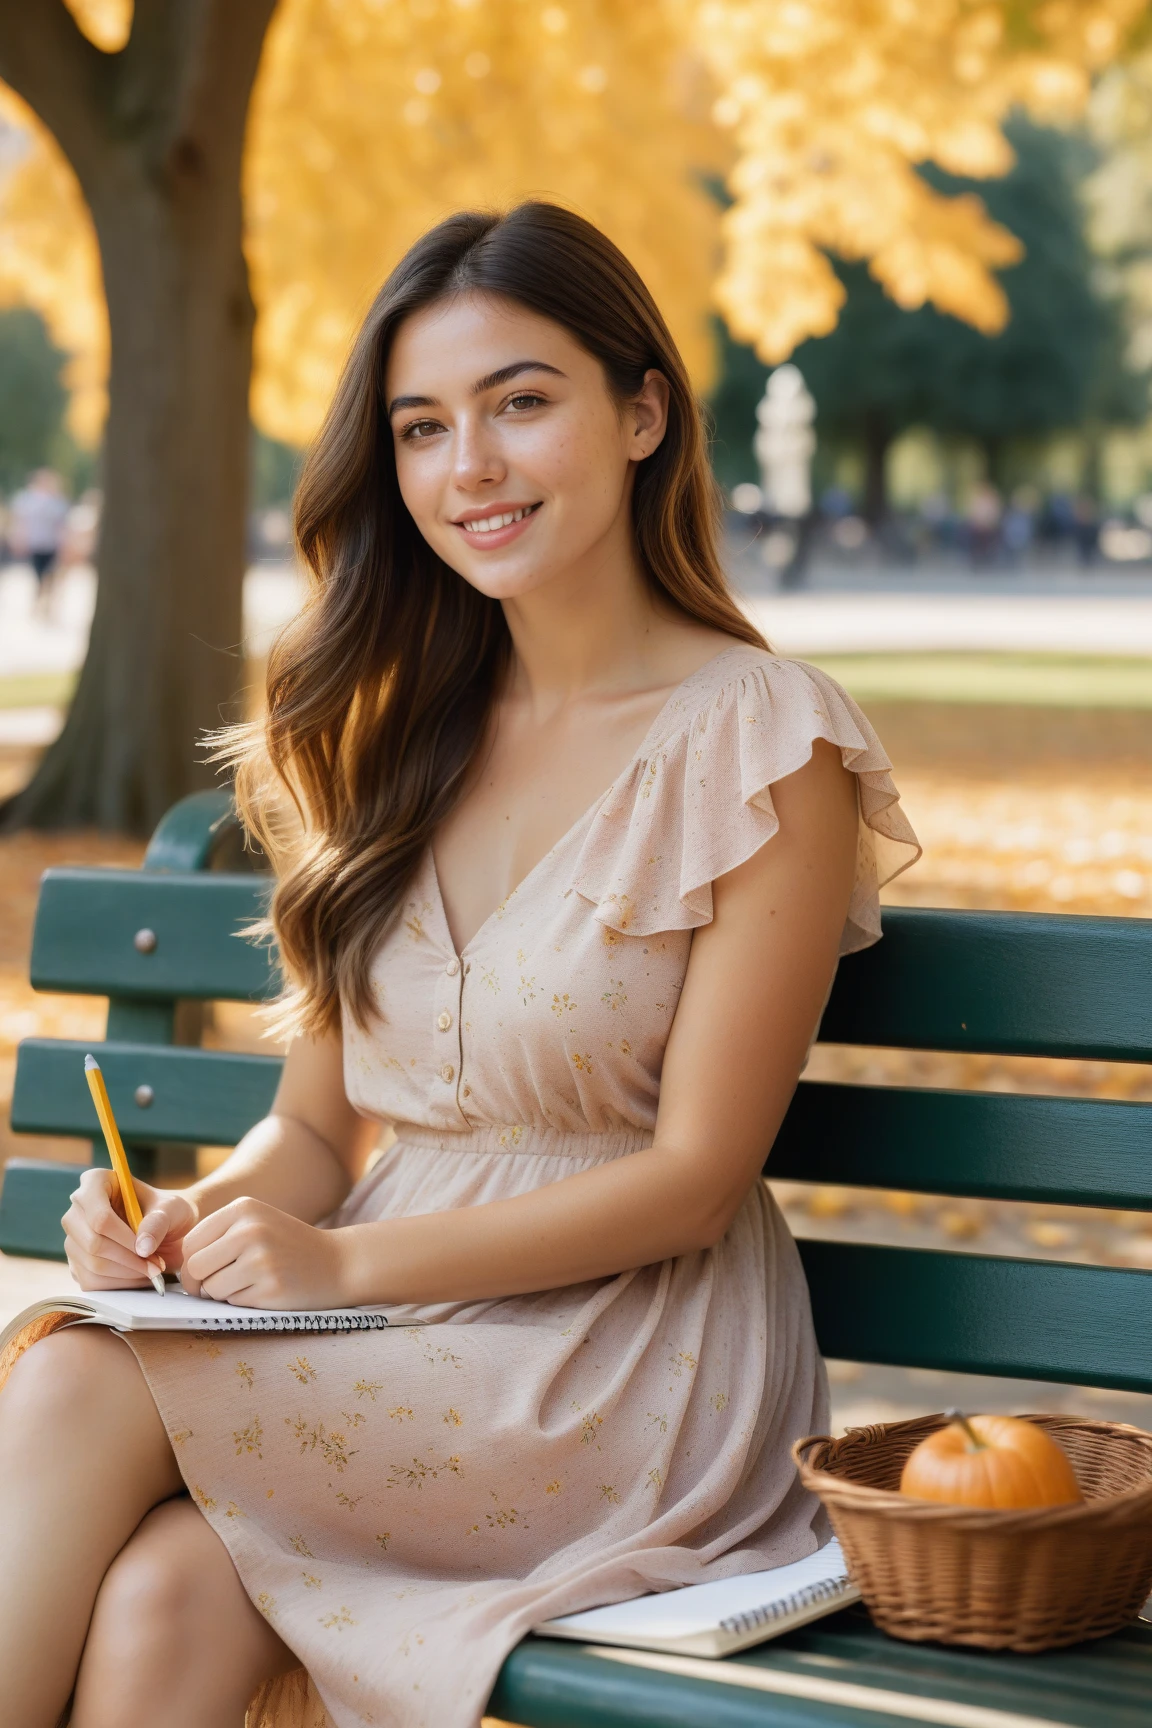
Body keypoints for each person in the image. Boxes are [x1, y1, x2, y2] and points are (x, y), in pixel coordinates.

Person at [0, 204, 919, 1728]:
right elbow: (313, 1133)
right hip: (371, 1337)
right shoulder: (389, 734)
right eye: (423, 428)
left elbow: (695, 1178)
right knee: (169, 1589)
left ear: (640, 414)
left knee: (83, 1380)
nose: (469, 467)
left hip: (624, 1361)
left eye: (522, 402)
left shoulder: (764, 740)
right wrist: (193, 1224)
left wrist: (340, 1264)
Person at [8, 467, 69, 606]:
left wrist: (65, 544)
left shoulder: (57, 501)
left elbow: (61, 525)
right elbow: (21, 522)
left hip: (52, 543)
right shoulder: (27, 500)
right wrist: (19, 539)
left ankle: (46, 601)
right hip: (35, 543)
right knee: (38, 574)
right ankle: (39, 601)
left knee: (50, 574)